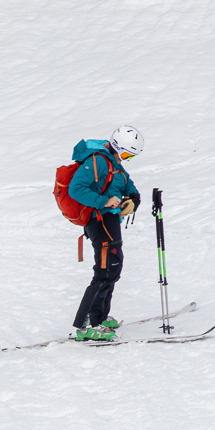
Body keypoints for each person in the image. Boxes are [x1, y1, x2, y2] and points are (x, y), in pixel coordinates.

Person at [69, 125, 143, 341]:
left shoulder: (117, 167)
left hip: (111, 222)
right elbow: (76, 188)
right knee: (104, 270)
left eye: (131, 156)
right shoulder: (98, 161)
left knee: (114, 267)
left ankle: (99, 318)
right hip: (98, 221)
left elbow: (130, 187)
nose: (127, 159)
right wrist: (104, 201)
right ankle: (84, 327)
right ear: (118, 147)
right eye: (127, 154)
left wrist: (133, 201)